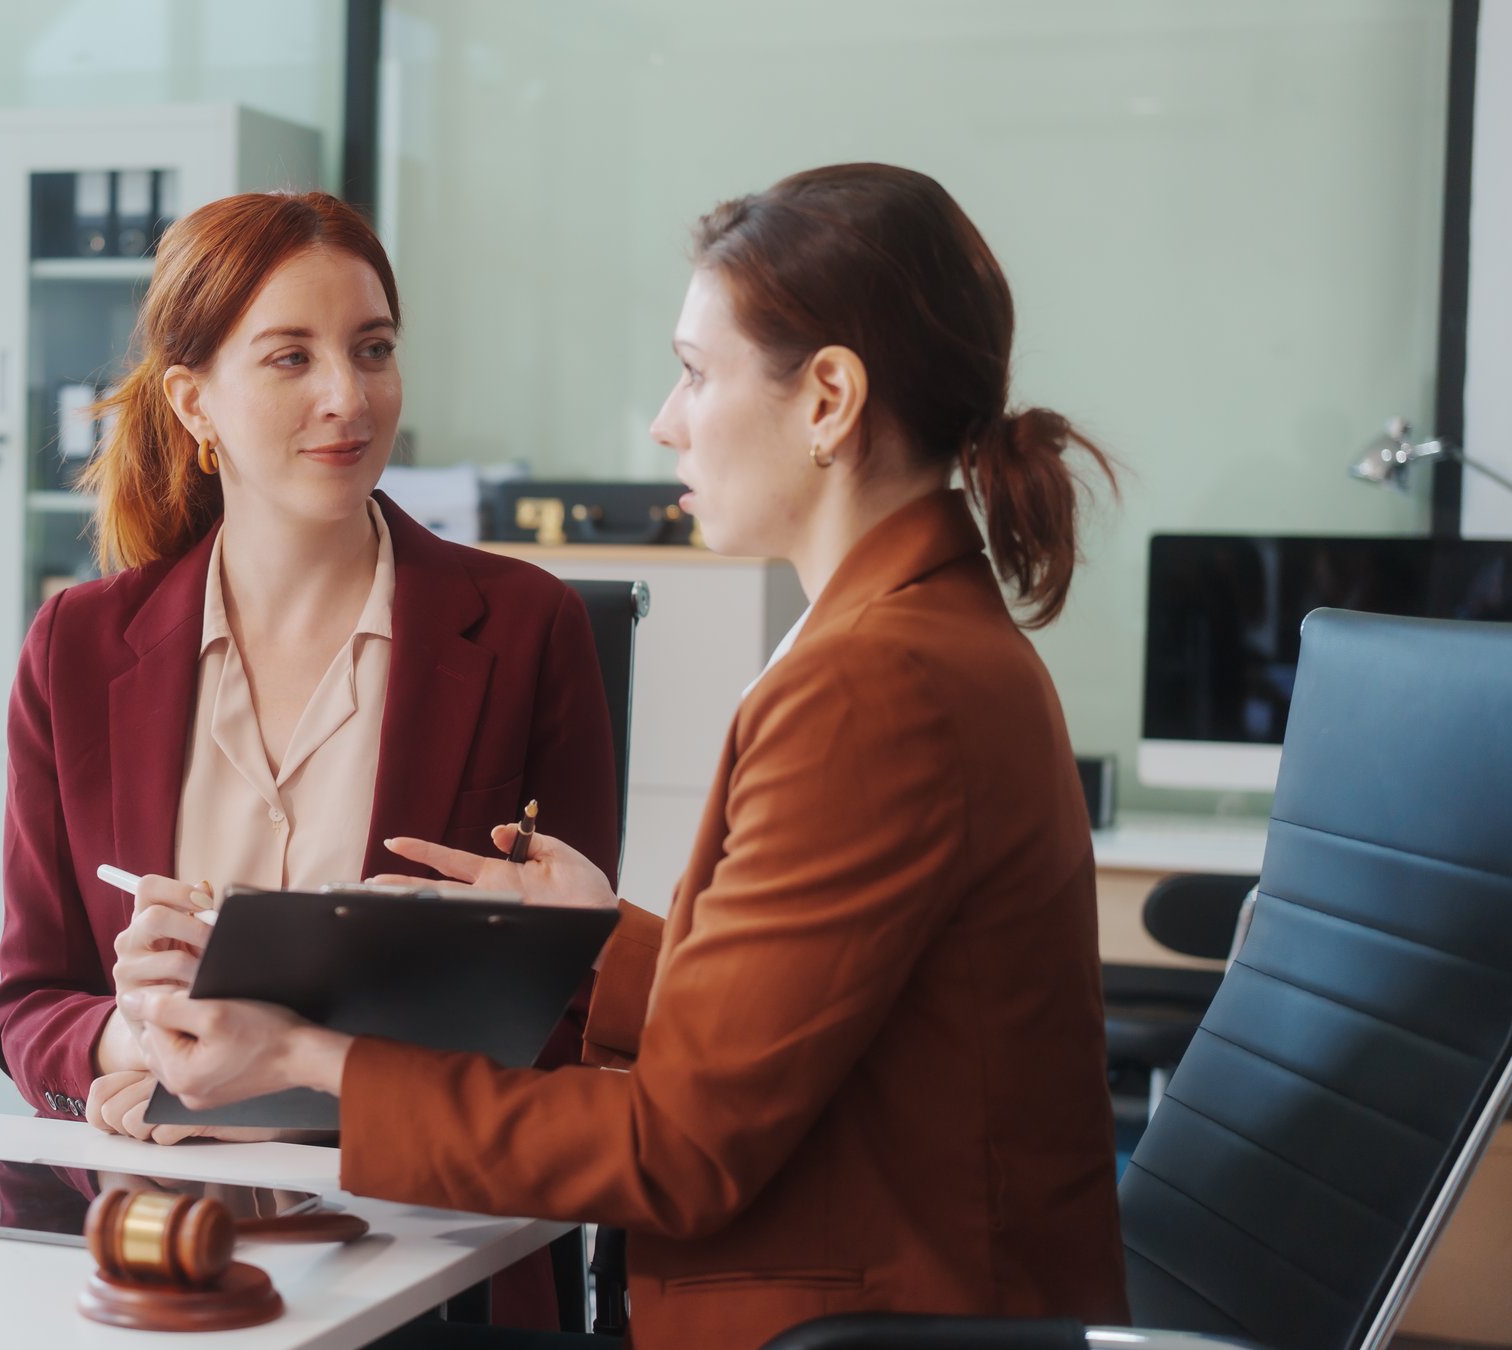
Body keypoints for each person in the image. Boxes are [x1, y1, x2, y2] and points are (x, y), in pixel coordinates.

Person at [129, 164, 1130, 1349]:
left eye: (698, 373)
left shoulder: (876, 687)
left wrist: (311, 1055)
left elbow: (680, 1149)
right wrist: (596, 944)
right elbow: (807, 1028)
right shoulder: (911, 636)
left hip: (849, 1314)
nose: (667, 419)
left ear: (828, 401)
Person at [0, 192, 620, 1324]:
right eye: (291, 357)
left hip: (429, 1245)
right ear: (195, 403)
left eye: (373, 350)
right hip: (157, 1239)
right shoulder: (76, 650)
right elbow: (31, 999)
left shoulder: (525, 628)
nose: (349, 396)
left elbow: (566, 1010)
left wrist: (302, 1082)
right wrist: (133, 1036)